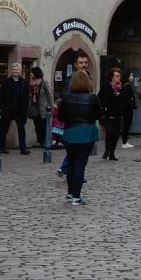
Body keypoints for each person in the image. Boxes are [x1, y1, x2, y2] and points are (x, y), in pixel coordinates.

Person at [57, 69, 100, 205]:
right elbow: (98, 115)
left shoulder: (66, 97)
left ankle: (70, 194)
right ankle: (76, 196)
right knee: (80, 165)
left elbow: (61, 116)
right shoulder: (92, 97)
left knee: (71, 163)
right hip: (86, 132)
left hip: (70, 132)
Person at [58, 53, 91, 179]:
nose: (84, 65)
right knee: (77, 149)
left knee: (79, 149)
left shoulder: (88, 77)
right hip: (74, 120)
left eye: (85, 63)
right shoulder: (70, 79)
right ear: (75, 65)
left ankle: (71, 171)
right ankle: (70, 172)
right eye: (81, 63)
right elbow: (65, 98)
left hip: (85, 120)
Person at [0, 62, 30, 155]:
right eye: (14, 69)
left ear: (20, 71)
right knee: (4, 129)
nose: (15, 71)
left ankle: (23, 148)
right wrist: (2, 108)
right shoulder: (6, 82)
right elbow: (1, 96)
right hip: (8, 109)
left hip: (20, 110)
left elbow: (26, 98)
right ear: (11, 71)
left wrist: (25, 109)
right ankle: (2, 147)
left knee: (21, 129)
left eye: (17, 69)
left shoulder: (24, 83)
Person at [98, 66, 127, 161]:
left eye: (119, 76)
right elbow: (99, 98)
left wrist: (120, 98)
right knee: (110, 132)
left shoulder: (122, 88)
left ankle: (112, 153)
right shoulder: (106, 87)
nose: (118, 78)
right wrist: (102, 110)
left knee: (116, 134)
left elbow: (124, 101)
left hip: (118, 115)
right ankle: (107, 150)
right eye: (116, 76)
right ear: (112, 77)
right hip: (108, 115)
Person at [26, 67, 54, 148]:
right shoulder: (30, 82)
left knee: (44, 126)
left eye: (32, 72)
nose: (30, 74)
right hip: (35, 108)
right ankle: (39, 141)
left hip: (43, 108)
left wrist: (51, 106)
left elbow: (50, 95)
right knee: (37, 125)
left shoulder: (44, 82)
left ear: (36, 73)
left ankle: (45, 142)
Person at [120, 71, 137, 150]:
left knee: (127, 125)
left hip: (126, 109)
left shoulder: (125, 85)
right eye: (131, 75)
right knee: (127, 126)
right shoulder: (127, 86)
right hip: (128, 109)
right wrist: (133, 106)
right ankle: (124, 142)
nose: (132, 77)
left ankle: (125, 141)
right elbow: (129, 99)